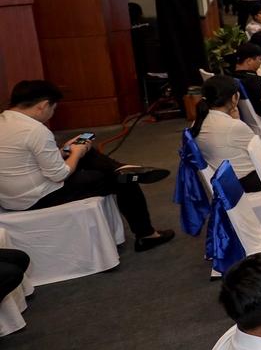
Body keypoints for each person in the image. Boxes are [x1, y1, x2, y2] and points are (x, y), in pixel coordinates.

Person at [0, 79, 173, 250]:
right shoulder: (34, 130)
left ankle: (121, 168)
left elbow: (23, 160)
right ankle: (146, 235)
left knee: (85, 153)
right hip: (37, 197)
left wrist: (64, 151)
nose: (52, 113)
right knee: (123, 180)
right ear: (44, 105)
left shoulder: (4, 121)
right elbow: (59, 175)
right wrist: (76, 153)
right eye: (53, 108)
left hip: (12, 197)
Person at [192, 75, 261, 191]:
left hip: (226, 179)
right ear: (234, 97)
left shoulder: (198, 121)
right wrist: (237, 121)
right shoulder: (232, 126)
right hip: (247, 180)